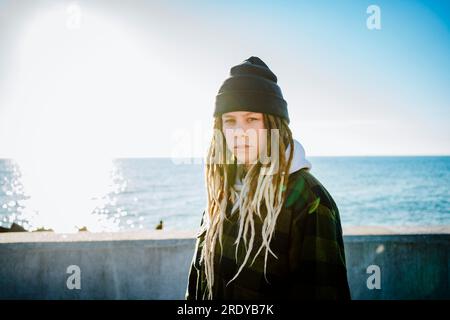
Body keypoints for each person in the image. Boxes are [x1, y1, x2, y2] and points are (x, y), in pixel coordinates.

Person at [186, 56, 351, 300]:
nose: (240, 133)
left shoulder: (308, 199)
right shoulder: (221, 195)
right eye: (230, 121)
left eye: (252, 119)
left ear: (274, 124)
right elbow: (196, 288)